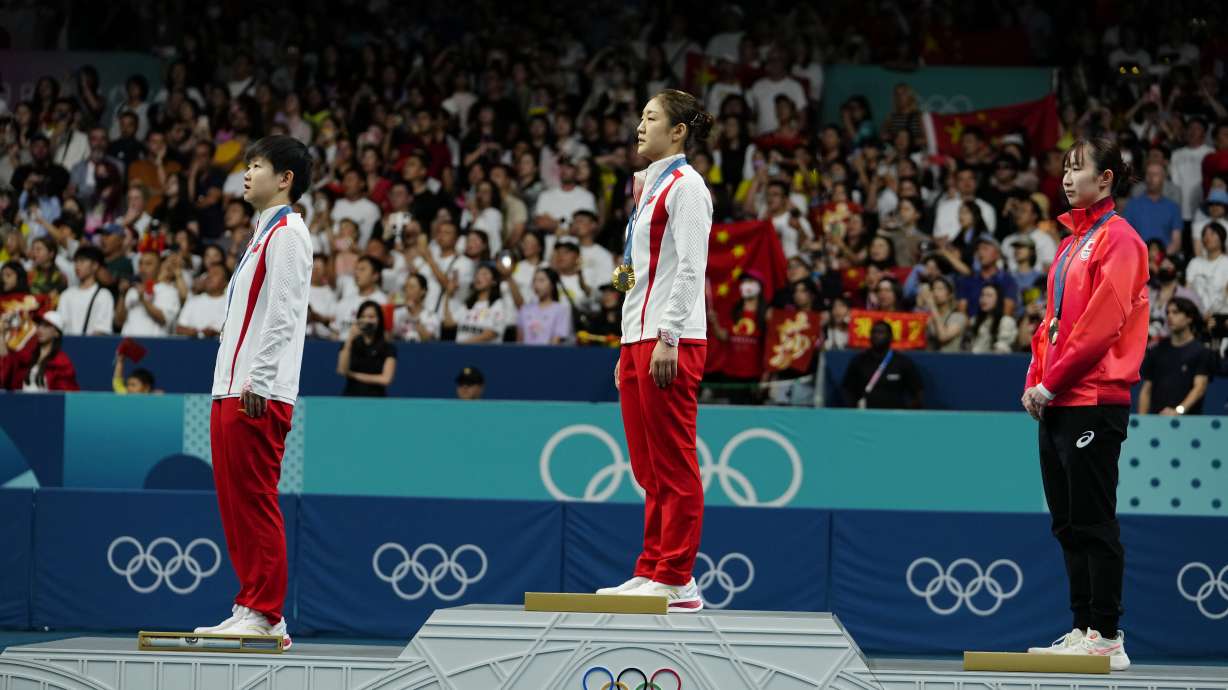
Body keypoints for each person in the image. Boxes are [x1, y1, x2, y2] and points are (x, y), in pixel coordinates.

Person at [1022, 138, 1148, 671]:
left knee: (1094, 520)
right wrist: (1035, 378)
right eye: (1065, 167)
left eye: (1078, 169)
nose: (1067, 177)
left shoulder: (1120, 240)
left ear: (1107, 179)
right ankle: (1082, 630)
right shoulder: (1070, 243)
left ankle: (1109, 634)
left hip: (1093, 398)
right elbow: (1051, 323)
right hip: (1057, 398)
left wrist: (1051, 385)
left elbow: (1101, 326)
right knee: (1067, 522)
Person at [196, 135, 313, 647]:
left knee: (256, 500)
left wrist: (260, 380)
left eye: (257, 165)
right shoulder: (260, 235)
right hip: (231, 388)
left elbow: (284, 313)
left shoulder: (288, 233)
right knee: (234, 503)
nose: (246, 174)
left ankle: (267, 613)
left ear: (284, 179)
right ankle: (250, 603)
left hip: (256, 391)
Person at [600, 89, 713, 612]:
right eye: (639, 116)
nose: (639, 126)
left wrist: (668, 335)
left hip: (672, 340)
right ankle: (651, 568)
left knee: (674, 462)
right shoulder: (648, 187)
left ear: (679, 131)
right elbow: (642, 275)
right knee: (646, 467)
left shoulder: (687, 187)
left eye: (650, 118)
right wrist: (628, 345)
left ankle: (679, 578)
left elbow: (692, 268)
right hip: (637, 338)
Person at [1138, 297, 1213, 416]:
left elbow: (1200, 387)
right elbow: (1146, 389)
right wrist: (1142, 421)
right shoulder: (1156, 351)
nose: (1169, 316)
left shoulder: (1202, 352)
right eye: (1168, 312)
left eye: (1176, 312)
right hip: (1156, 422)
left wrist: (1178, 411)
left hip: (1189, 424)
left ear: (1189, 318)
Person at [840, 320, 922, 409]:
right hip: (864, 415)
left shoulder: (902, 362)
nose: (876, 335)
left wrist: (906, 412)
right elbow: (847, 389)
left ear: (890, 337)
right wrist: (852, 409)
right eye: (873, 332)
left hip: (893, 417)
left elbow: (918, 392)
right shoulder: (859, 361)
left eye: (881, 332)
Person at [0, 311, 79, 391]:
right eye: (39, 325)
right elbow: (6, 368)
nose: (40, 329)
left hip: (47, 403)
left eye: (46, 326)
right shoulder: (27, 356)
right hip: (22, 402)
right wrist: (1, 333)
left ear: (56, 333)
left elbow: (67, 395)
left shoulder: (62, 362)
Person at [337, 300, 398, 396]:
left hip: (376, 399)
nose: (367, 321)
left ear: (379, 320)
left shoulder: (388, 347)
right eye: (363, 317)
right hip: (351, 397)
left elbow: (386, 379)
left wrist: (353, 375)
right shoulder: (350, 344)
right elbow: (342, 370)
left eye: (371, 317)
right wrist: (349, 340)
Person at [55, 246, 114, 335]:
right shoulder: (67, 294)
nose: (77, 265)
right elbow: (59, 325)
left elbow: (102, 330)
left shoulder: (104, 295)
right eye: (76, 261)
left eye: (82, 261)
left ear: (95, 266)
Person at [517, 268, 573, 344]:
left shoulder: (561, 310)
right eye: (534, 281)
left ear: (552, 284)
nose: (536, 285)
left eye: (541, 281)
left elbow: (556, 341)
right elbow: (519, 341)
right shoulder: (525, 309)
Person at [175, 264, 228, 338]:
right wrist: (192, 332)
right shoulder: (193, 301)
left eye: (215, 274)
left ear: (225, 282)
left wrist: (216, 333)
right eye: (208, 273)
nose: (209, 277)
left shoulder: (230, 304)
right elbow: (179, 328)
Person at [966, 284, 1018, 354]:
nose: (984, 299)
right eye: (982, 295)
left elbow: (1002, 348)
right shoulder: (974, 320)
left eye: (989, 296)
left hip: (995, 362)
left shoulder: (1006, 321)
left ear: (998, 299)